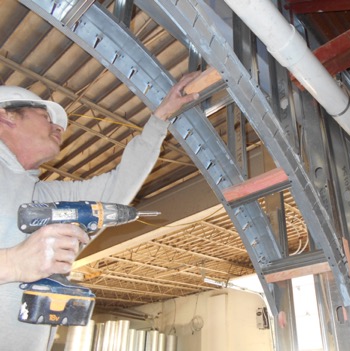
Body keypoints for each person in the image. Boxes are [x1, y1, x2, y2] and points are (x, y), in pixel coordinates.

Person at [0, 71, 201, 350]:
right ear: (7, 115)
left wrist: (160, 118)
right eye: (46, 117)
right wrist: (11, 263)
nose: (60, 128)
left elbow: (116, 188)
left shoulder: (40, 197)